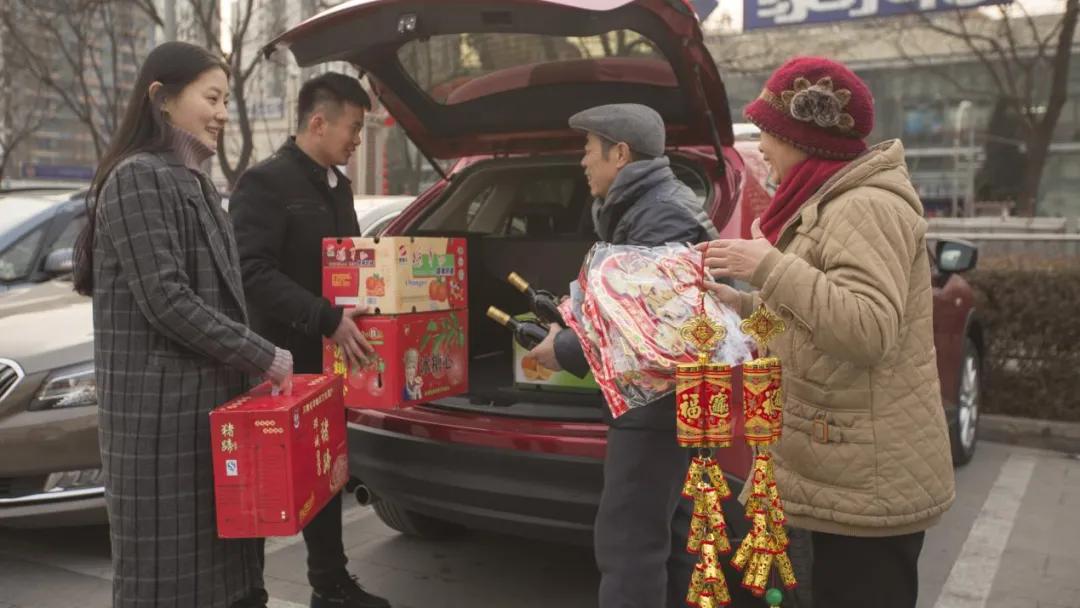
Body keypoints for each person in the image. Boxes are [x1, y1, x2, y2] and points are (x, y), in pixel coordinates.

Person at [699, 56, 956, 608]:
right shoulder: (828, 204)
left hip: (867, 487)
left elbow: (866, 330)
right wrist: (743, 306)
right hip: (839, 474)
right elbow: (807, 325)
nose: (761, 144)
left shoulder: (866, 206)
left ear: (804, 136)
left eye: (768, 130)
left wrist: (766, 266)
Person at [73, 41, 292, 608]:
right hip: (161, 426)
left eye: (226, 99)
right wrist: (262, 353)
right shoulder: (137, 178)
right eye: (212, 98)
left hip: (205, 417)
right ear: (162, 100)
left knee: (228, 576)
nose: (222, 112)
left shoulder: (192, 180)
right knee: (170, 585)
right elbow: (167, 300)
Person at [528, 103, 719, 608]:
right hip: (674, 392)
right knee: (669, 531)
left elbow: (649, 324)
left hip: (657, 396)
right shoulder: (647, 206)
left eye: (589, 150)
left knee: (629, 541)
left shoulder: (659, 215)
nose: (583, 161)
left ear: (620, 153)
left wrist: (565, 348)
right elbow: (624, 301)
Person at [229, 72, 389, 608]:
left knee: (326, 472)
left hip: (329, 360)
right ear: (317, 122)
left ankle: (332, 585)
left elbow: (346, 262)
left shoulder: (337, 185)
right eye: (354, 128)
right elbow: (250, 270)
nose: (357, 140)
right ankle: (247, 591)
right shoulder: (265, 182)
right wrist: (323, 316)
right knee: (267, 482)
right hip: (276, 363)